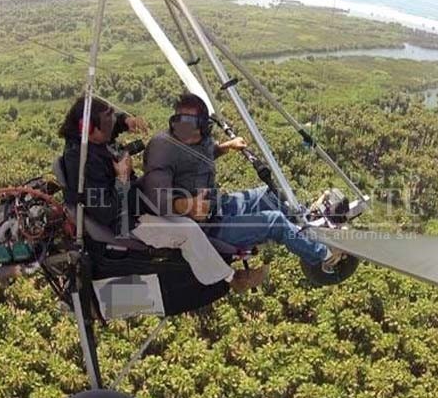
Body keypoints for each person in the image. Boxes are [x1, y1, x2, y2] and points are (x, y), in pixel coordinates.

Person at [58, 95, 266, 292]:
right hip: (127, 220)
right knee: (188, 230)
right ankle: (231, 279)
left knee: (167, 192)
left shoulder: (91, 139)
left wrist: (126, 120)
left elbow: (108, 122)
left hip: (134, 198)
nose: (113, 121)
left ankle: (207, 219)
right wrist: (122, 177)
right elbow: (107, 212)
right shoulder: (83, 162)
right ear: (89, 128)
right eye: (109, 119)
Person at [140, 93, 345, 273]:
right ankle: (325, 256)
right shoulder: (163, 147)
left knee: (269, 193)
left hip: (218, 205)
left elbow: (202, 156)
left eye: (189, 124)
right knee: (274, 221)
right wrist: (186, 206)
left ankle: (305, 219)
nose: (182, 129)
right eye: (178, 122)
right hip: (206, 228)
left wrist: (226, 146)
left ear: (203, 126)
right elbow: (156, 197)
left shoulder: (200, 140)